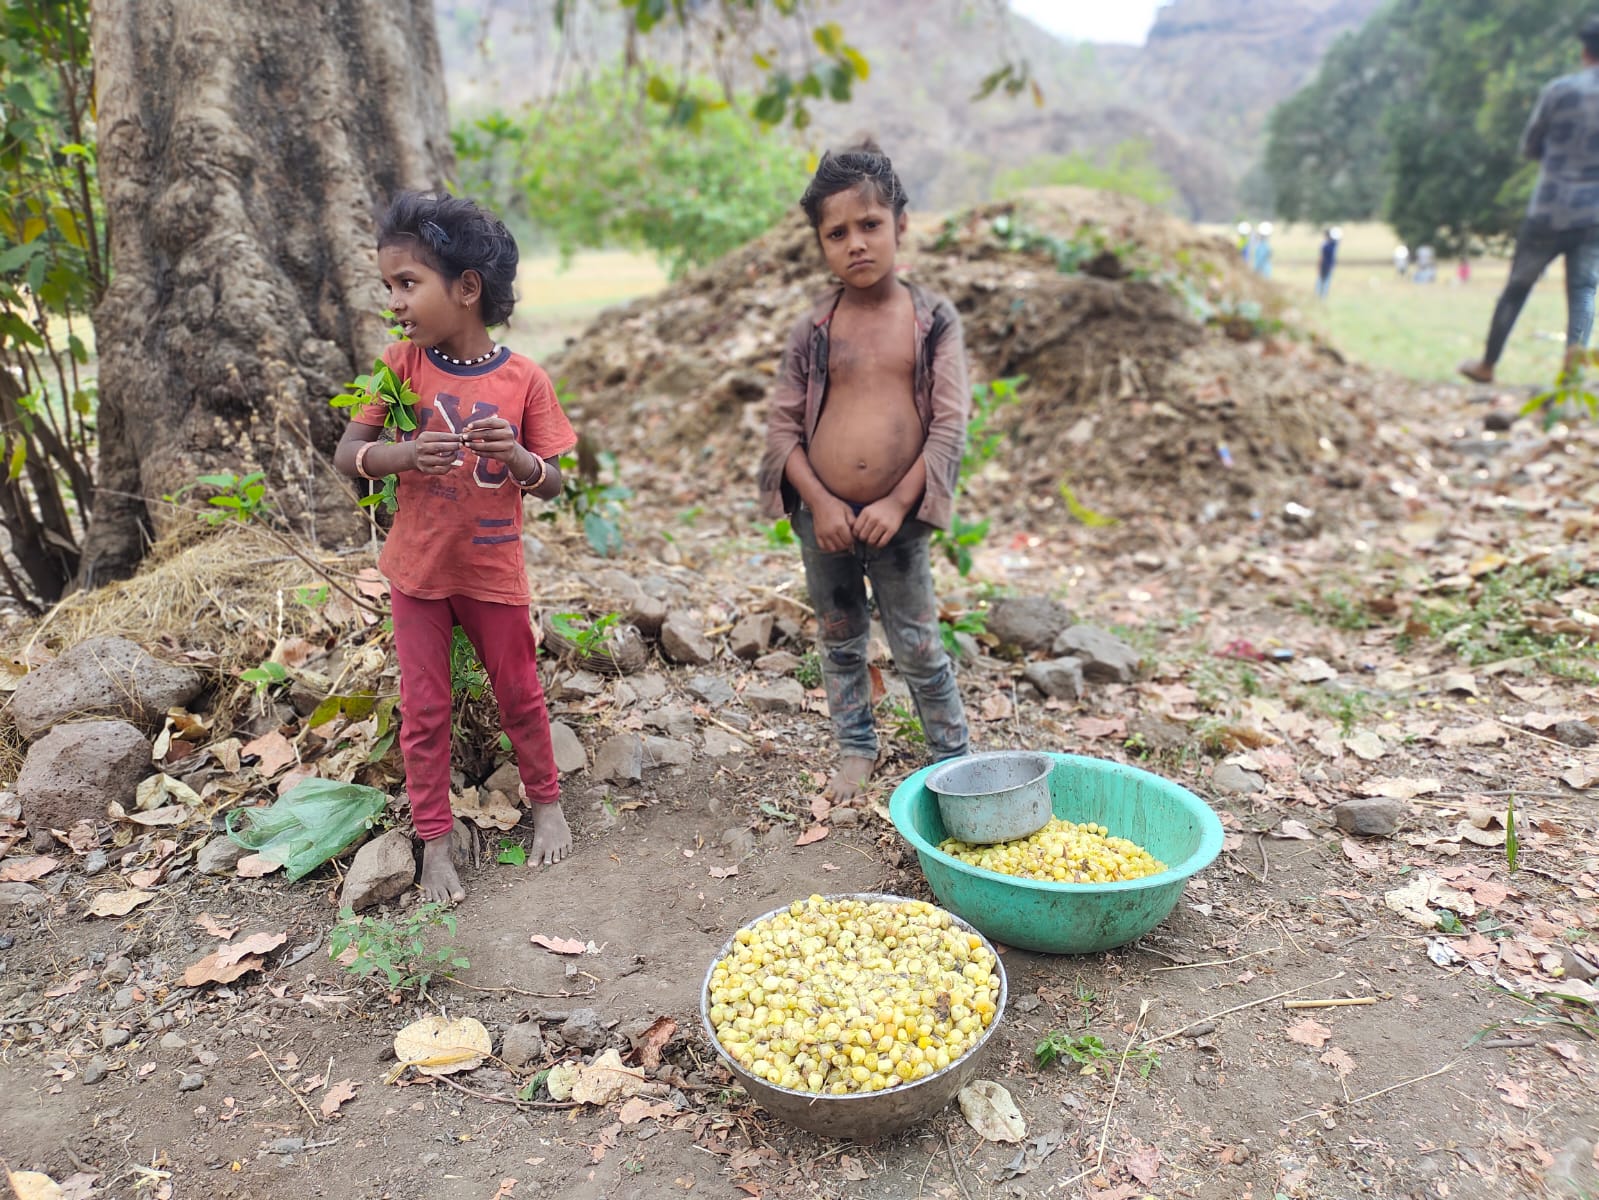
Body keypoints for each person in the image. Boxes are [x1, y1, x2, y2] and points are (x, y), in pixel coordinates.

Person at [335, 192, 576, 904]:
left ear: (466, 288)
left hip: (493, 571)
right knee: (425, 708)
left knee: (520, 695)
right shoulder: (399, 366)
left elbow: (556, 482)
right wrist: (402, 455)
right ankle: (435, 841)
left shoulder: (523, 379)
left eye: (407, 284)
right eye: (389, 287)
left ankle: (548, 803)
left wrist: (523, 460)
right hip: (418, 574)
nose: (395, 301)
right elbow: (349, 452)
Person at [758, 141, 970, 803]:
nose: (856, 243)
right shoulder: (813, 329)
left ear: (900, 226)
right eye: (836, 232)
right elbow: (782, 428)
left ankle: (952, 756)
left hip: (896, 523)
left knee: (916, 643)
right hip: (822, 521)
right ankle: (855, 744)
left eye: (870, 225)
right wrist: (819, 501)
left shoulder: (930, 321)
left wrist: (895, 502)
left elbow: (947, 423)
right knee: (840, 634)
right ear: (819, 243)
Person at [1460, 15, 1599, 384]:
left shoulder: (1559, 90)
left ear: (1584, 50)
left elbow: (1530, 145)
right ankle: (1571, 380)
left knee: (1518, 286)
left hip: (1549, 208)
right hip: (1594, 214)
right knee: (1584, 290)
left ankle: (1488, 364)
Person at [1316, 227, 1341, 299]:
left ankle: (1319, 297)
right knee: (1325, 282)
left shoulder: (1325, 245)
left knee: (1321, 282)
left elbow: (1321, 257)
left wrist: (1319, 266)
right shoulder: (1333, 244)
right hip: (1329, 266)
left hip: (1324, 265)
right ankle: (1322, 297)